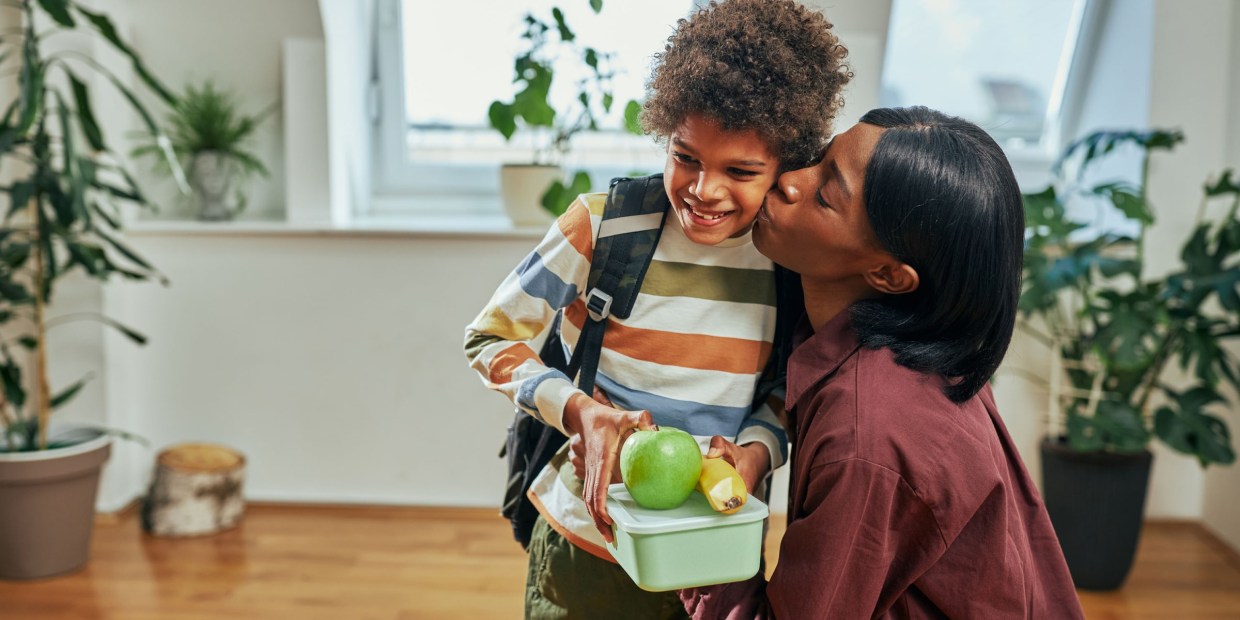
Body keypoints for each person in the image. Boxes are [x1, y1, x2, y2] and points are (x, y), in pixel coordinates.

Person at [463, 1, 850, 617]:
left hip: (717, 552)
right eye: (685, 156)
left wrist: (755, 452)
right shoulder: (603, 226)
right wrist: (580, 411)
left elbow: (787, 387)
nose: (703, 189)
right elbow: (487, 340)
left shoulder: (786, 260)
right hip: (588, 547)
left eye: (740, 170)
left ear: (786, 166)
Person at [663, 107, 1086, 618]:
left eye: (825, 194)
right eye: (819, 160)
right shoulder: (912, 354)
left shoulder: (867, 433)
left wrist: (702, 531)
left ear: (888, 275)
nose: (789, 180)